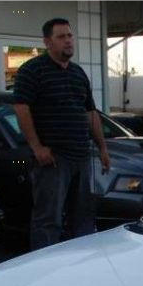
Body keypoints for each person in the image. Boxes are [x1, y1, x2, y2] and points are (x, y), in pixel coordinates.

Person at [12, 18, 110, 250]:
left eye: (70, 35)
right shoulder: (32, 71)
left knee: (83, 217)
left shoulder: (78, 73)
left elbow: (90, 112)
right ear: (47, 42)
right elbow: (20, 108)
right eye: (61, 37)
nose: (68, 41)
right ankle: (45, 269)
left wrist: (102, 148)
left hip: (81, 157)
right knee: (48, 220)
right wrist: (37, 148)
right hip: (54, 159)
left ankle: (80, 263)